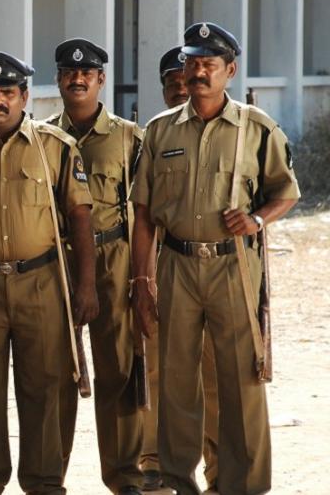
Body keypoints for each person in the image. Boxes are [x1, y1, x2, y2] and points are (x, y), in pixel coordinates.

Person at [129, 22, 300, 495]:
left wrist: (257, 220)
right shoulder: (160, 130)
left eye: (209, 65)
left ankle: (242, 484)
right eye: (193, 63)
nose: (199, 72)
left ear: (230, 70)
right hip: (176, 264)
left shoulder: (256, 128)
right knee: (177, 382)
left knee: (241, 378)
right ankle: (179, 480)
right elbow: (143, 212)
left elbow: (286, 192)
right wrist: (141, 281)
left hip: (233, 266)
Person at [0, 51, 97, 495]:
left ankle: (44, 482)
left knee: (45, 388)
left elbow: (82, 218)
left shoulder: (55, 147)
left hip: (42, 282)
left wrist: (86, 285)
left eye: (7, 93)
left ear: (24, 96)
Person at [46, 38, 145, 495]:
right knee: (55, 372)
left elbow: (145, 212)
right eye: (69, 71)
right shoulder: (42, 137)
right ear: (59, 78)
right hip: (55, 261)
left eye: (86, 73)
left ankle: (124, 475)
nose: (77, 78)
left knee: (118, 370)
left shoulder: (128, 137)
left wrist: (144, 277)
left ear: (101, 79)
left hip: (114, 259)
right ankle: (49, 478)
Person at [138, 45, 220, 492]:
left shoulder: (231, 132)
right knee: (157, 370)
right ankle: (154, 459)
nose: (181, 88)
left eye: (185, 78)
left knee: (212, 370)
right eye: (173, 83)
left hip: (214, 271)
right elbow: (142, 217)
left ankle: (216, 463)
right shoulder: (151, 136)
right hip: (164, 264)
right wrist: (142, 279)